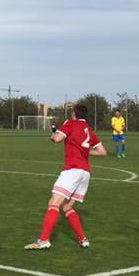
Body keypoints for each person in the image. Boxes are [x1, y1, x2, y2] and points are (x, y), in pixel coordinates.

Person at [25, 104, 106, 250]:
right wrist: (86, 152)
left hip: (73, 170)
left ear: (74, 114)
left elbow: (57, 139)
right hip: (85, 173)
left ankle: (43, 240)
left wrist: (54, 135)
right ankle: (83, 239)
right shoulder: (89, 129)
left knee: (53, 203)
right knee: (67, 206)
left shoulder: (70, 123)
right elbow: (102, 152)